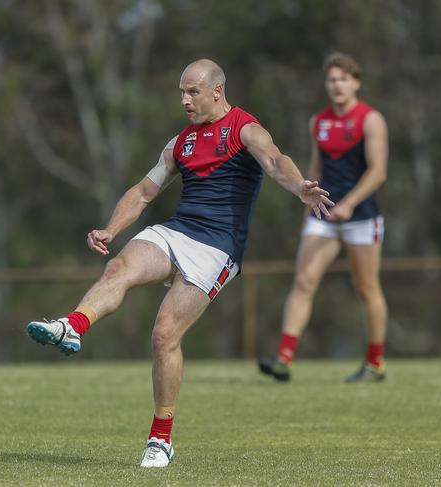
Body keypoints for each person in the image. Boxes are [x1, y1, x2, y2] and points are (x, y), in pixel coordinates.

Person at [26, 59, 334, 467]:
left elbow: (276, 162)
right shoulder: (180, 143)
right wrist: (110, 229)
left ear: (216, 92)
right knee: (118, 267)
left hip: (217, 249)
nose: (184, 100)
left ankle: (160, 439)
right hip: (176, 232)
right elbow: (143, 191)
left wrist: (300, 188)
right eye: (181, 91)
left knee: (163, 335)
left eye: (192, 92)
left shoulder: (245, 129)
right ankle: (72, 326)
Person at [258, 52, 389, 383]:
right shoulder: (318, 122)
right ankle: (284, 359)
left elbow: (378, 172)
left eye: (344, 78)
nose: (337, 85)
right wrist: (309, 199)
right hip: (325, 215)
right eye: (332, 79)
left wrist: (350, 203)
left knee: (366, 288)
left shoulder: (370, 120)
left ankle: (374, 363)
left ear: (356, 82)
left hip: (361, 217)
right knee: (303, 281)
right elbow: (317, 168)